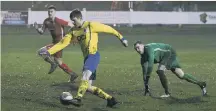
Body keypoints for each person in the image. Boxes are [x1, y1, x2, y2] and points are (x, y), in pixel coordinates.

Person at [39, 9, 128, 107]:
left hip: (93, 55)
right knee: (88, 87)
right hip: (87, 58)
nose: (72, 22)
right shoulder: (73, 31)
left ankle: (78, 99)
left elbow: (109, 29)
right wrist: (49, 52)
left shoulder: (91, 25)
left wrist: (122, 38)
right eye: (72, 20)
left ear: (80, 18)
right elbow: (62, 43)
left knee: (84, 76)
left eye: (74, 20)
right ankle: (110, 99)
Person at [133, 41, 207, 97]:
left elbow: (150, 66)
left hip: (169, 53)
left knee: (160, 71)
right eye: (136, 48)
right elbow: (144, 73)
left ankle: (167, 93)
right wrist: (146, 85)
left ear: (143, 46)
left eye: (138, 47)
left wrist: (148, 78)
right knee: (181, 75)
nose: (137, 50)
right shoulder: (142, 58)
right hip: (164, 57)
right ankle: (202, 84)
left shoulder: (148, 49)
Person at [34, 5, 78, 82]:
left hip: (60, 44)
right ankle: (73, 74)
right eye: (49, 12)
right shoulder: (46, 21)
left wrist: (74, 36)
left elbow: (71, 24)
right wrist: (37, 28)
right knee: (59, 62)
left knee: (41, 52)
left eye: (51, 12)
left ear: (55, 12)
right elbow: (41, 32)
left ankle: (53, 64)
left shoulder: (58, 21)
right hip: (55, 43)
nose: (50, 13)